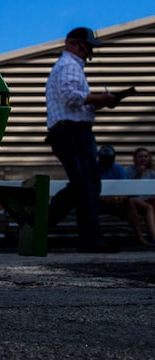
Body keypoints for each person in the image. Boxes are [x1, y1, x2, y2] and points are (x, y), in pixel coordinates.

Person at [45, 27, 119, 253]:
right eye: (87, 48)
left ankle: (40, 225)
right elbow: (71, 97)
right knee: (87, 184)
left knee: (82, 184)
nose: (89, 54)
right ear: (76, 45)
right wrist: (102, 98)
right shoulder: (69, 66)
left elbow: (72, 99)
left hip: (68, 131)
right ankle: (90, 239)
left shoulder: (65, 66)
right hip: (73, 132)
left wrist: (98, 101)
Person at [98, 145, 155, 248]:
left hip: (118, 200)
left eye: (109, 159)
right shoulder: (128, 170)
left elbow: (124, 189)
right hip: (99, 201)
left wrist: (117, 197)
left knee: (133, 204)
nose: (106, 161)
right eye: (104, 158)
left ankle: (142, 238)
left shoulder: (119, 169)